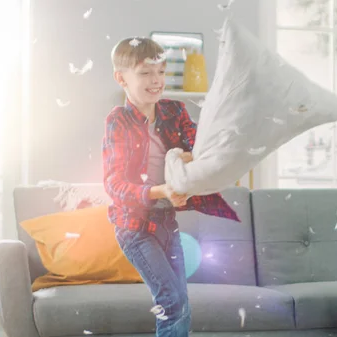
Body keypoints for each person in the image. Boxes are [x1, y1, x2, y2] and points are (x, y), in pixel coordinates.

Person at [102, 36, 238, 337]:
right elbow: (114, 183)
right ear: (121, 78)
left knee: (182, 304)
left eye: (161, 72)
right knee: (170, 301)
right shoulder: (119, 121)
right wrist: (161, 191)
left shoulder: (174, 111)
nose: (156, 80)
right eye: (146, 73)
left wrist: (198, 156)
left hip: (166, 223)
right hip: (135, 229)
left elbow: (199, 146)